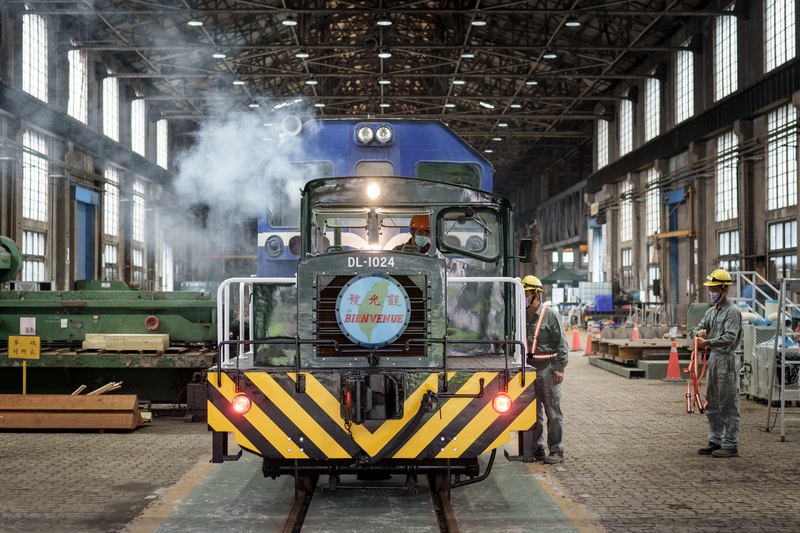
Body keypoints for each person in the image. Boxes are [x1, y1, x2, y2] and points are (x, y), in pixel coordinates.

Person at [690, 268, 743, 458]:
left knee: (728, 403)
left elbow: (729, 336)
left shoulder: (733, 312)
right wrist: (698, 333)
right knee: (712, 401)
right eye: (710, 288)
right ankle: (715, 440)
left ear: (724, 289)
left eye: (714, 288)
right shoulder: (712, 312)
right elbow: (697, 328)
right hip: (714, 359)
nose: (711, 292)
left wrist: (709, 341)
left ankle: (730, 445)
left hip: (727, 360)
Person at [522, 275, 569, 464]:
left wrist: (559, 368)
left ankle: (556, 449)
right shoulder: (521, 315)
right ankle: (537, 447)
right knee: (533, 412)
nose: (523, 297)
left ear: (536, 295)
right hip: (528, 368)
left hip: (548, 368)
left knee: (552, 410)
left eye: (525, 293)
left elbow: (562, 344)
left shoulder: (551, 315)